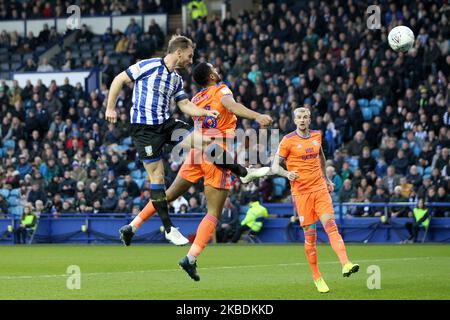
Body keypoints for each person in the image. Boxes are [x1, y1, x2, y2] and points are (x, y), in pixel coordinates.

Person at [117, 62, 272, 281]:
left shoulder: (197, 98)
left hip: (196, 152)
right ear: (211, 75)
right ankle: (190, 258)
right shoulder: (222, 90)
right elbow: (231, 105)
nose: (218, 69)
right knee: (213, 213)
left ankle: (132, 226)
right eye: (214, 68)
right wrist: (256, 116)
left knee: (168, 194)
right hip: (217, 154)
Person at [271, 107, 359, 293]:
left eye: (305, 117)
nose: (302, 120)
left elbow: (321, 156)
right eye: (299, 117)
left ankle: (346, 263)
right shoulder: (287, 140)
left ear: (310, 119)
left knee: (331, 226)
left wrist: (326, 178)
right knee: (310, 236)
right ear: (294, 120)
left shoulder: (317, 136)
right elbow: (275, 166)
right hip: (301, 194)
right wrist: (287, 173)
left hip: (319, 189)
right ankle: (317, 277)